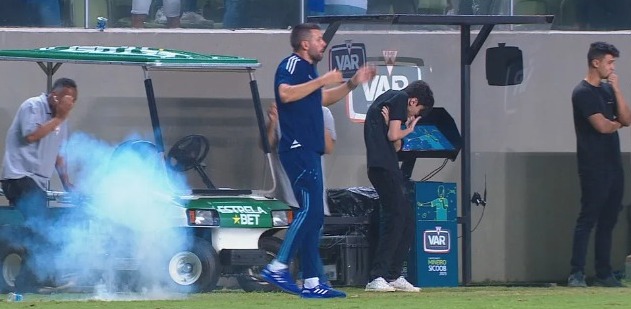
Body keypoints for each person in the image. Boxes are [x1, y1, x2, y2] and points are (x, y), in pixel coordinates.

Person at [260, 22, 376, 299]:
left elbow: (321, 98)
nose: (323, 43)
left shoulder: (309, 72)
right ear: (304, 44)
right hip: (298, 149)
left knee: (315, 220)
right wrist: (323, 80)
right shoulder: (291, 65)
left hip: (310, 150)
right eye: (319, 39)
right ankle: (278, 266)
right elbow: (285, 93)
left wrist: (350, 84)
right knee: (310, 212)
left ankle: (313, 282)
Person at [1, 77, 77, 292]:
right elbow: (32, 135)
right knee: (41, 226)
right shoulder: (32, 106)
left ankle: (33, 280)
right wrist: (60, 118)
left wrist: (67, 182)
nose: (70, 105)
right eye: (68, 99)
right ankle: (35, 279)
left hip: (37, 183)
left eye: (74, 101)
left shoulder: (61, 122)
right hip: (19, 177)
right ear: (55, 97)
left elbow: (59, 155)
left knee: (42, 229)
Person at [568, 41, 631, 288]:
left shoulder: (607, 91)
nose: (612, 67)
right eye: (609, 62)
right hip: (593, 165)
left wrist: (616, 90)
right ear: (596, 62)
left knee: (609, 219)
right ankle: (577, 272)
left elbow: (626, 118)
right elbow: (603, 126)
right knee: (588, 218)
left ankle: (604, 272)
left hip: (614, 165)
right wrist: (616, 122)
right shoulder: (582, 93)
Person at [363, 80, 434, 292]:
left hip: (387, 165)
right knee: (395, 218)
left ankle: (393, 275)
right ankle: (377, 276)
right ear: (413, 101)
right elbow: (394, 136)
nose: (412, 116)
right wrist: (408, 129)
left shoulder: (391, 100)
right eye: (416, 111)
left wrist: (397, 128)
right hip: (382, 167)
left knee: (407, 219)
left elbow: (395, 145)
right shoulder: (400, 98)